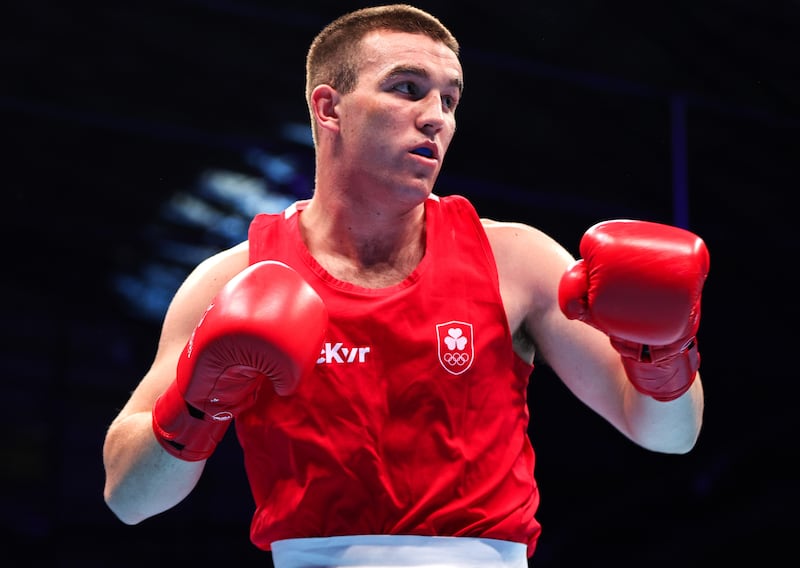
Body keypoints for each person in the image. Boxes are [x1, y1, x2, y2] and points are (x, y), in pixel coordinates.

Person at [102, 4, 709, 567]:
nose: (436, 117)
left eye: (450, 99)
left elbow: (669, 436)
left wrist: (663, 353)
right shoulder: (236, 277)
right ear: (329, 109)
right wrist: (200, 401)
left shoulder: (516, 259)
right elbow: (129, 499)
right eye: (407, 88)